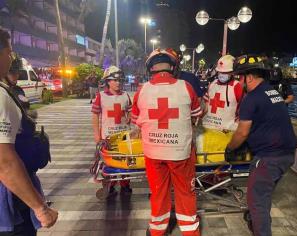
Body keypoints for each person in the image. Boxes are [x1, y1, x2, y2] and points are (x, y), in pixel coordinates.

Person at [131, 49, 202, 236]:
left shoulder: (141, 90)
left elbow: (135, 121)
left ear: (150, 68)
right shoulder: (186, 87)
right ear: (174, 67)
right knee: (185, 193)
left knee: (158, 192)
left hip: (153, 154)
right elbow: (196, 115)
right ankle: (189, 231)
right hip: (181, 153)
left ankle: (157, 231)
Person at [226, 54, 297, 236]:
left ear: (249, 77)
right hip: (287, 153)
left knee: (258, 202)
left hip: (269, 157)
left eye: (240, 78)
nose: (239, 82)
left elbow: (242, 132)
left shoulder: (251, 98)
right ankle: (253, 218)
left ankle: (259, 226)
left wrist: (230, 148)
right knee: (261, 195)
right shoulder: (272, 91)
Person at [0, 28, 58, 236]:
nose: (11, 57)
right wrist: (40, 208)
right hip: (10, 204)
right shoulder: (1, 96)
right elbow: (5, 162)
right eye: (9, 52)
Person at [91, 65, 132, 194]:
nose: (118, 83)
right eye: (115, 80)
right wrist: (97, 135)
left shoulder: (126, 96)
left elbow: (130, 115)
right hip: (107, 137)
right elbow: (95, 115)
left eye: (120, 80)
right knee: (109, 163)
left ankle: (125, 185)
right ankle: (110, 186)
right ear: (108, 81)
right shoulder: (100, 96)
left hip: (124, 136)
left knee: (125, 161)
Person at [202, 55, 243, 132]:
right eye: (220, 72)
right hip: (210, 130)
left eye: (225, 72)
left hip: (227, 132)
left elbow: (244, 109)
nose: (221, 74)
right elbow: (207, 105)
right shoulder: (212, 84)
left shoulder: (237, 86)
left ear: (232, 72)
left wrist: (236, 125)